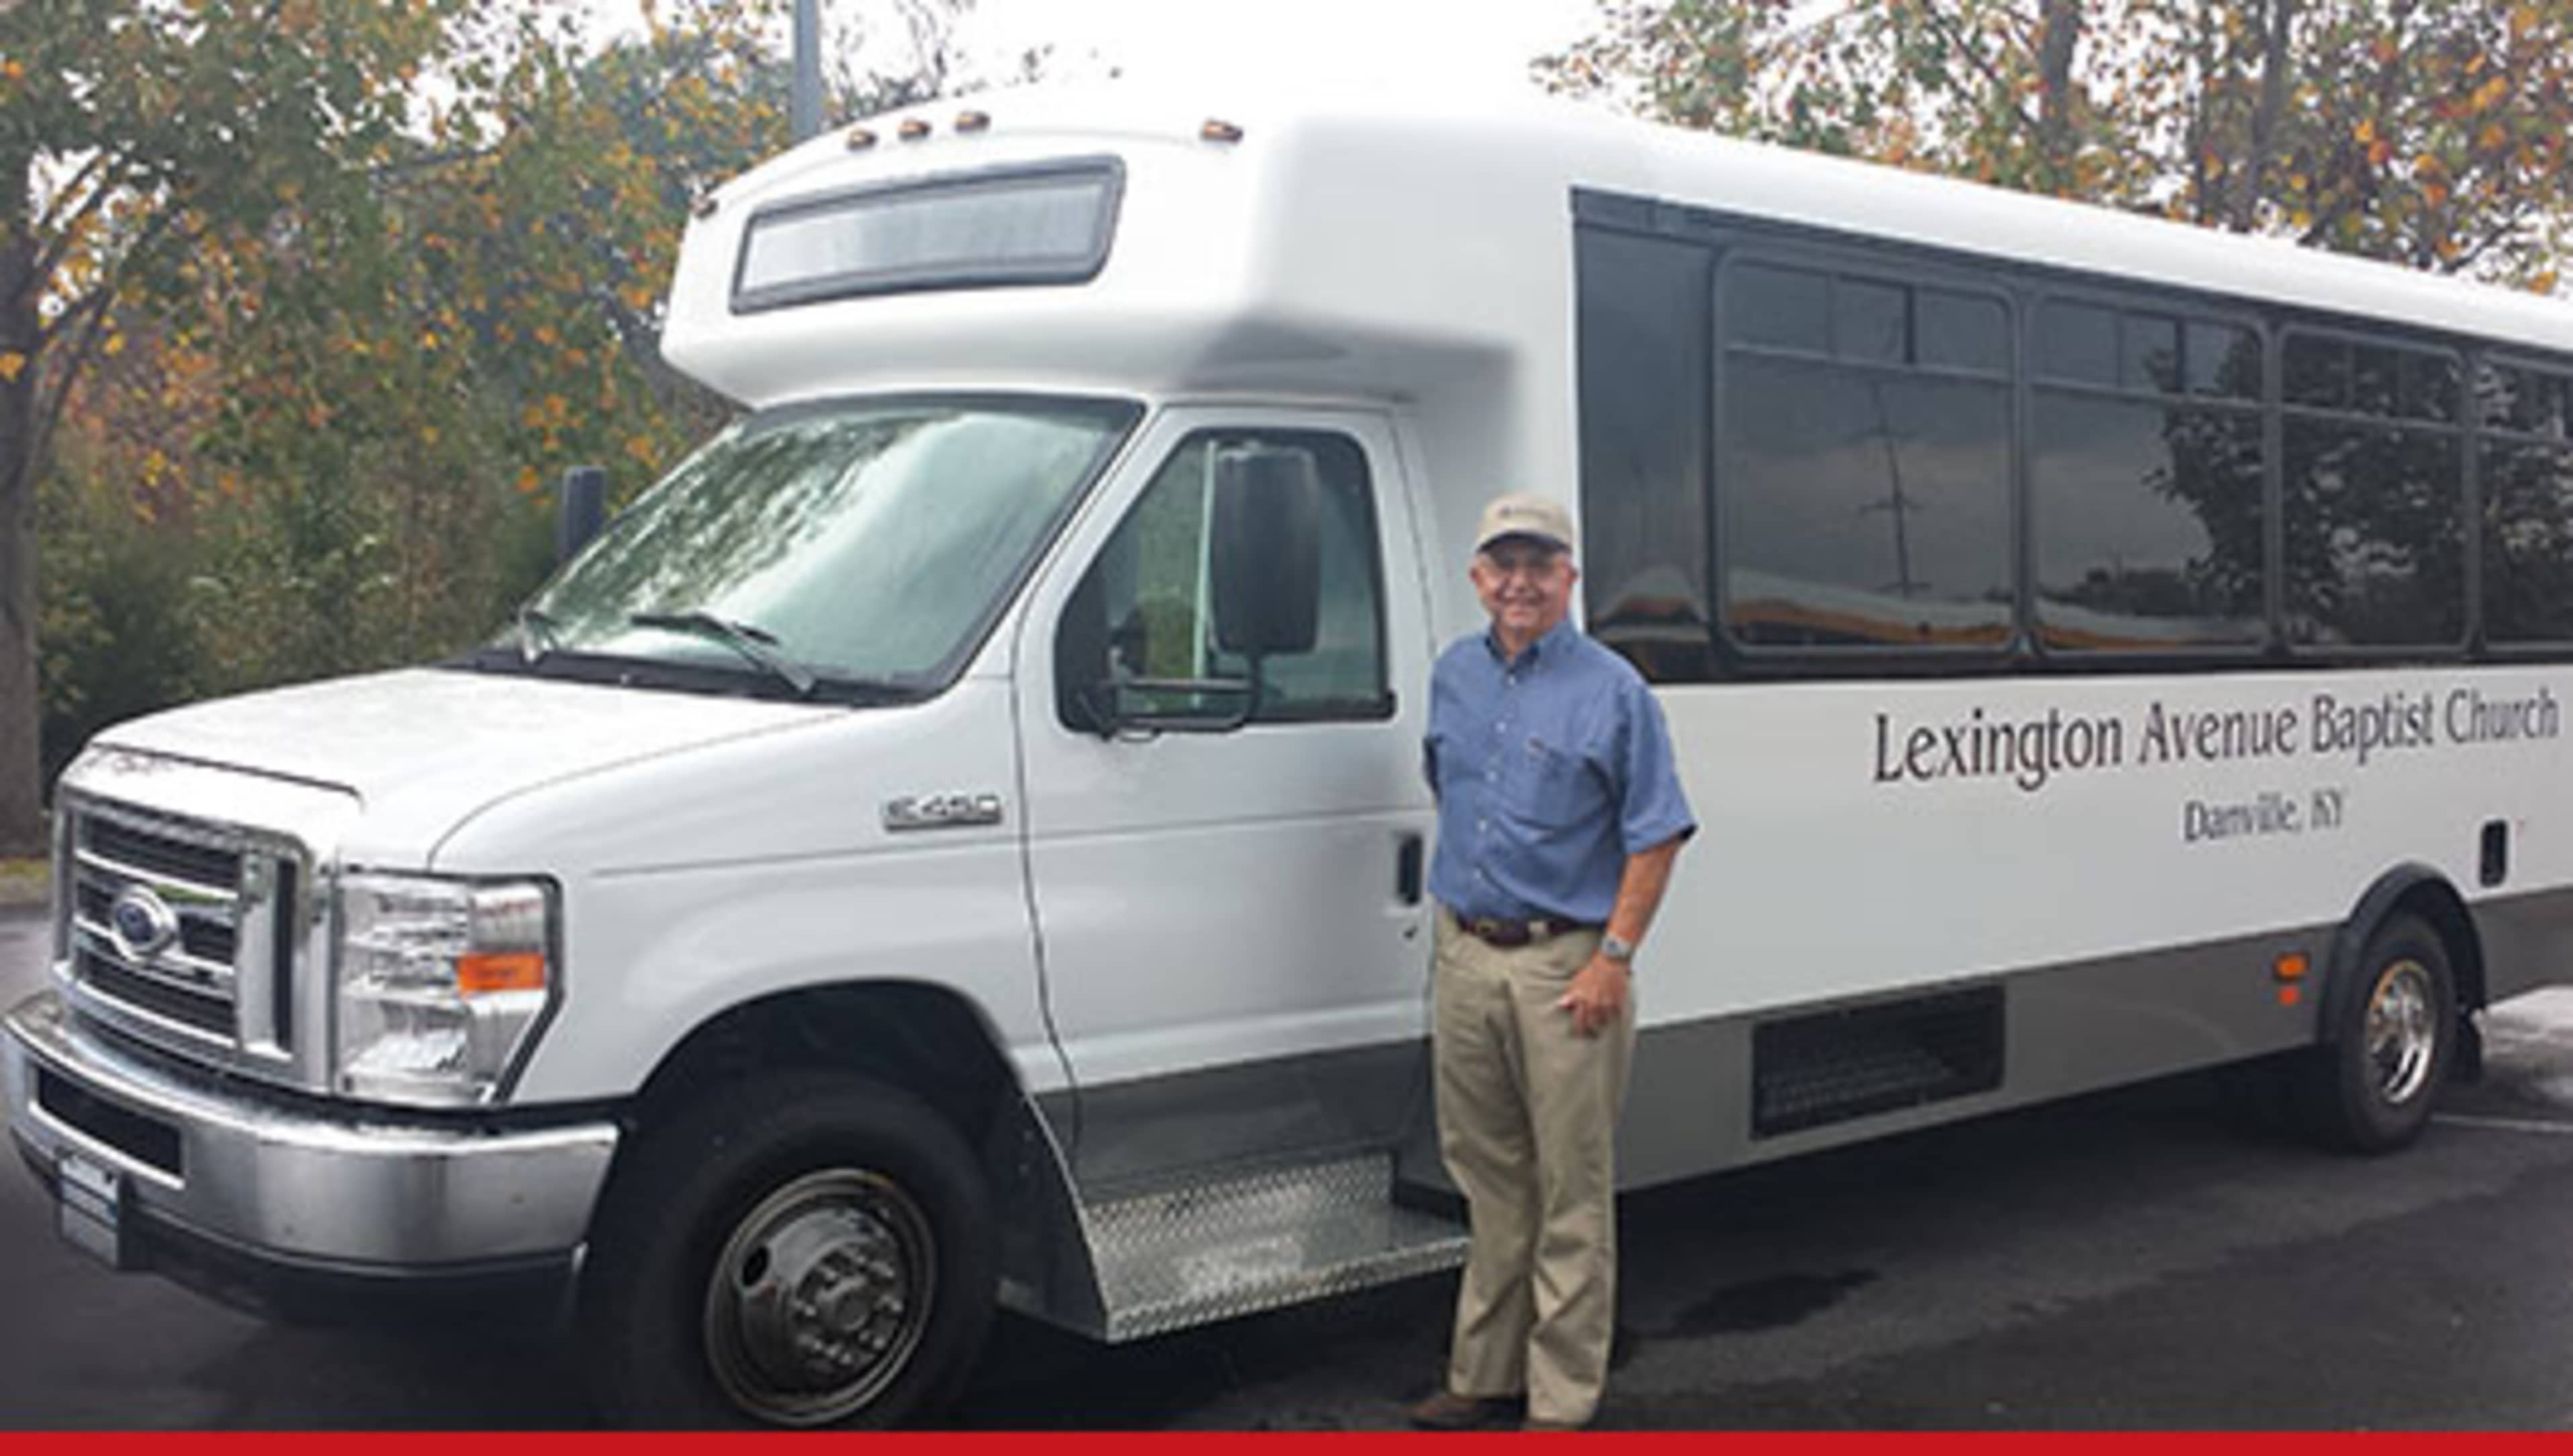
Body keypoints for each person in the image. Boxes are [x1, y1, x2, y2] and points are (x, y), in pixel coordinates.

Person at [1408, 492, 1695, 1433]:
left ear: (1570, 577)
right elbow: (1449, 790)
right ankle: (1483, 1374)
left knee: (1571, 1187)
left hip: (1563, 966)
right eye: (1504, 564)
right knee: (1489, 1180)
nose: (1520, 582)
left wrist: (1613, 957)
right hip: (1466, 956)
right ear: (1477, 576)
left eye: (1540, 565)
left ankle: (1561, 1399)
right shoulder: (1454, 675)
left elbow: (1656, 834)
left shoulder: (1614, 690)